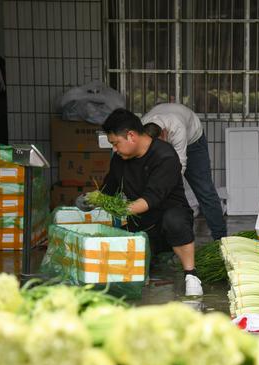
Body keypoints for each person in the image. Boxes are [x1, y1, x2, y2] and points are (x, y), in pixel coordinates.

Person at [77, 108, 202, 296]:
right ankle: (154, 257)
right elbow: (110, 187)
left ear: (131, 136)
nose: (114, 149)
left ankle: (191, 275)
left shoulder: (165, 156)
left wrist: (121, 209)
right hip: (142, 222)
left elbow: (151, 199)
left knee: (174, 221)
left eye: (115, 143)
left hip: (170, 215)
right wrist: (93, 199)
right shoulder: (121, 158)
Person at [141, 103, 227, 240]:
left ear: (164, 133)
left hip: (193, 141)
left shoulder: (177, 127)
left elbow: (179, 166)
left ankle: (221, 239)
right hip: (169, 125)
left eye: (158, 144)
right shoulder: (142, 126)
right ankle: (157, 240)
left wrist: (165, 187)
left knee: (204, 190)